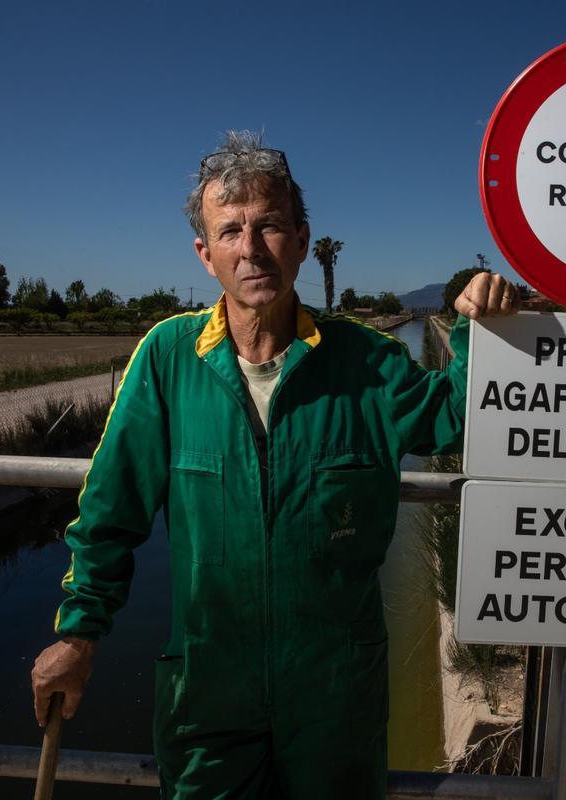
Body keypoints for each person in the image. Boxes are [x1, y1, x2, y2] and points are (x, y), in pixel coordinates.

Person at [31, 130, 518, 799]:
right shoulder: (168, 360)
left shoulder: (366, 362)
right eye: (229, 232)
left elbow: (449, 418)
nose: (251, 249)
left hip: (335, 698)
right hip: (207, 693)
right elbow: (111, 510)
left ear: (302, 238)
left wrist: (477, 333)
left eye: (269, 226)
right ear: (204, 254)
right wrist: (78, 633)